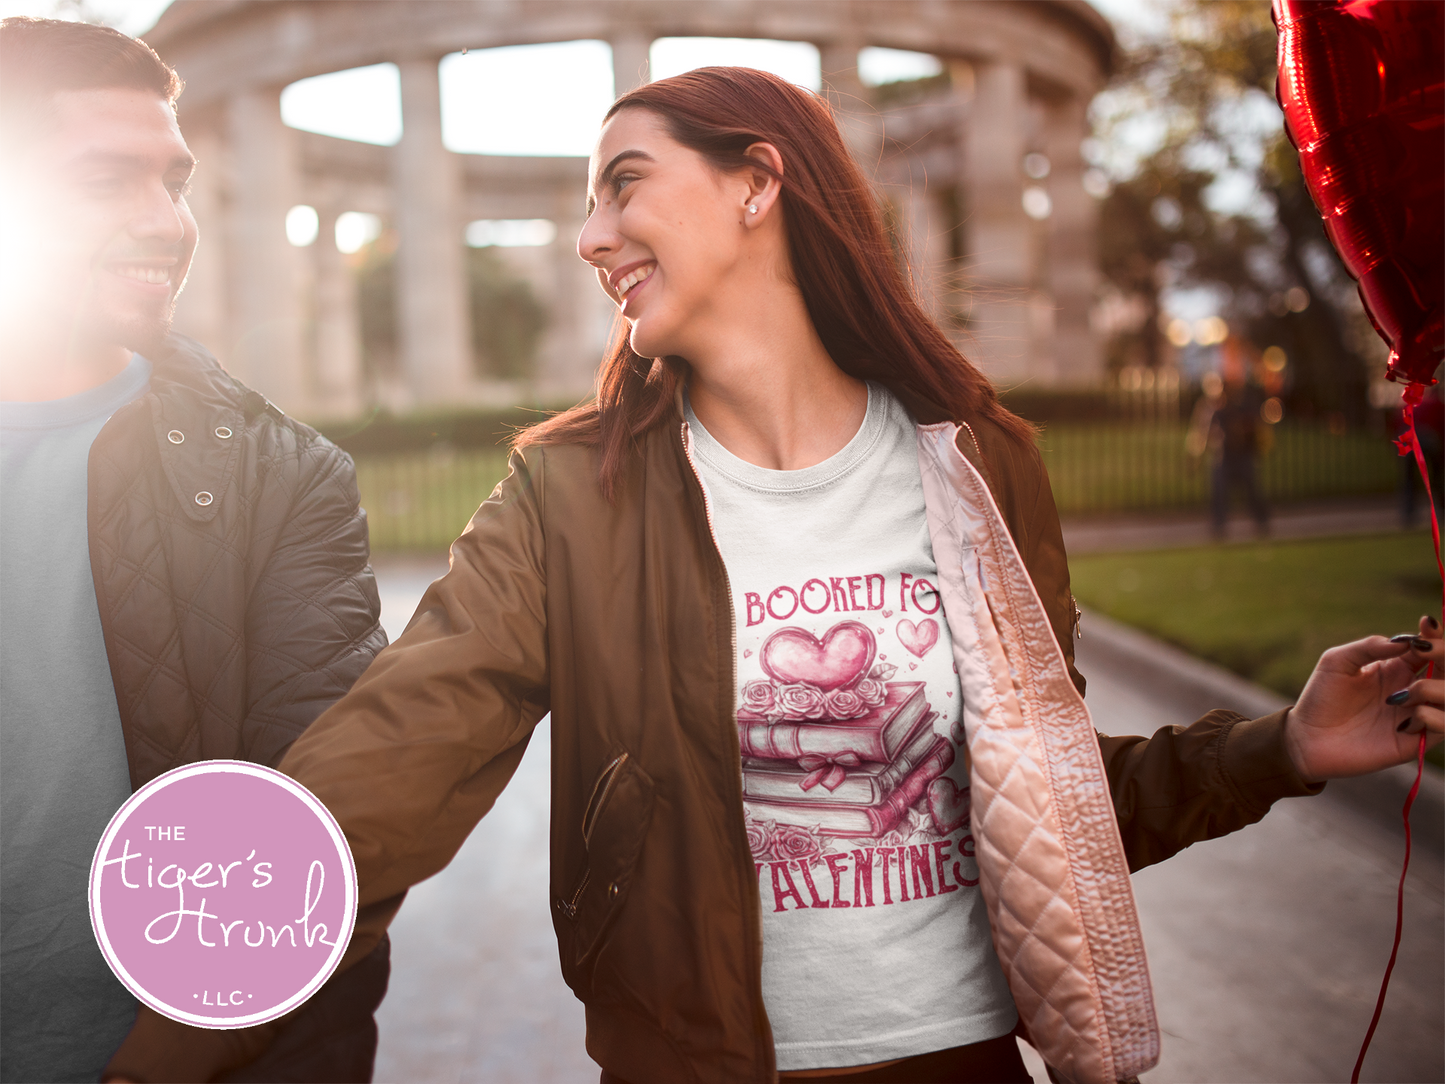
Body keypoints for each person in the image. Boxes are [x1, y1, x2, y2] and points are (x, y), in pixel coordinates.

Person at [106, 67, 1444, 1084]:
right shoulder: (570, 496)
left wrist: (1280, 747)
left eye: (622, 181)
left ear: (758, 181)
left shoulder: (984, 463)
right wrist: (146, 1044)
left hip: (971, 1061)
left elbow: (1048, 804)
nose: (589, 236)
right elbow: (387, 770)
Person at [0, 18, 390, 1083]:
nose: (167, 222)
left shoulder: (283, 477)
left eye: (172, 181)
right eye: (105, 181)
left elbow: (326, 829)